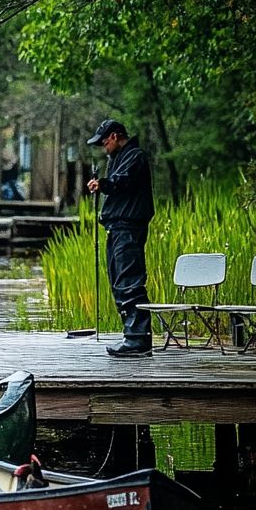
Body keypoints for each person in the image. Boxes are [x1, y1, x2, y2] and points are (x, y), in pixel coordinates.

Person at [86, 118, 154, 358]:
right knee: (118, 279)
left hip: (128, 227)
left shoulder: (135, 156)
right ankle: (131, 334)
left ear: (114, 136)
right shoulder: (118, 158)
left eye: (104, 142)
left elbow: (122, 182)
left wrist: (102, 184)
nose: (103, 147)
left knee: (130, 280)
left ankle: (138, 338)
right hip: (116, 227)